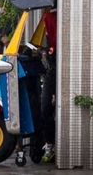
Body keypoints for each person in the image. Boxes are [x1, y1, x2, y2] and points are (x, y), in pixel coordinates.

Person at [40, 9, 57, 163]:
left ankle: (52, 145)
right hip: (50, 73)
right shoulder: (49, 38)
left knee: (50, 108)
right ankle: (49, 144)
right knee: (45, 108)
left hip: (59, 73)